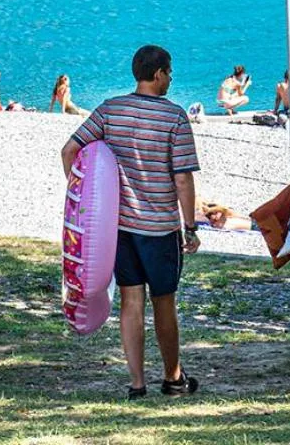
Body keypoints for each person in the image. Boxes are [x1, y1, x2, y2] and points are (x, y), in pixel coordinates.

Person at [60, 44, 201, 399]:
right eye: (169, 73)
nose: (170, 79)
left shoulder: (111, 109)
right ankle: (173, 379)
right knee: (164, 302)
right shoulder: (174, 117)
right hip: (159, 229)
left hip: (119, 229)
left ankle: (137, 384)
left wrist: (85, 204)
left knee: (131, 300)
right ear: (158, 75)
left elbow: (70, 150)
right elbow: (182, 178)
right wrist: (191, 227)